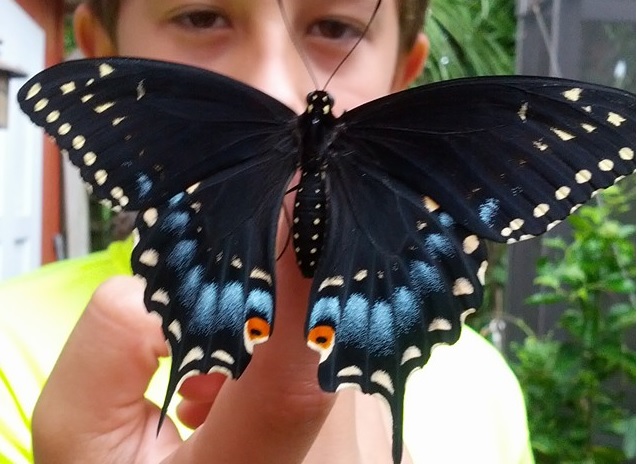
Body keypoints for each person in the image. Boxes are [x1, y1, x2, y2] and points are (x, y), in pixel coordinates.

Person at [0, 1, 535, 462]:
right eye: (201, 16)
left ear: (404, 72)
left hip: (388, 267)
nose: (276, 87)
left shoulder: (489, 393)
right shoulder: (10, 351)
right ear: (104, 55)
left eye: (335, 28)